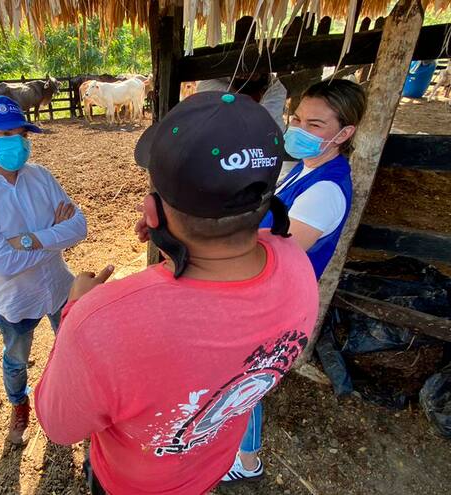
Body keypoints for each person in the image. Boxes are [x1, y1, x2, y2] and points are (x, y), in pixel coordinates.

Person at [34, 91, 319, 494]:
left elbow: (59, 424)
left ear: (151, 212)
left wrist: (76, 306)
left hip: (129, 486)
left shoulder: (99, 321)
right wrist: (175, 233)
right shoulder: (295, 263)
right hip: (210, 467)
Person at [223, 78, 367, 482]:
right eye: (298, 118)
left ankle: (247, 462)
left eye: (316, 125)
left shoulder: (326, 190)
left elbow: (272, 255)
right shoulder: (306, 168)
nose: (300, 129)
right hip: (262, 294)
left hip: (273, 303)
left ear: (345, 132)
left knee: (244, 382)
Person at [0, 95, 87, 446]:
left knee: (72, 347)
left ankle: (69, 400)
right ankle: (19, 403)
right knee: (16, 359)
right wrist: (55, 237)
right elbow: (1, 263)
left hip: (58, 286)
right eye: (7, 134)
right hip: (15, 299)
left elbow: (80, 227)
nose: (19, 142)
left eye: (22, 134)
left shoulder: (39, 175)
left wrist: (25, 240)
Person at [196, 74, 288, 130]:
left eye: (253, 75)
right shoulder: (220, 80)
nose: (246, 75)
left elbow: (267, 123)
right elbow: (203, 86)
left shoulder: (274, 88)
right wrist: (235, 94)